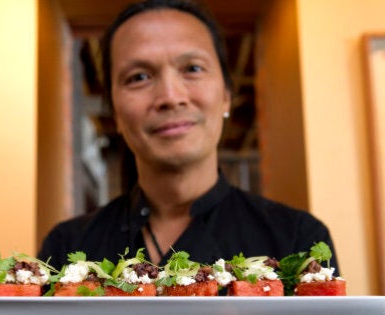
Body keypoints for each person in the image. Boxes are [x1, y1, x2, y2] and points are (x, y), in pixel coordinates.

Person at [38, 0, 340, 271]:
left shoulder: (297, 240)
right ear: (115, 112)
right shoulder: (67, 247)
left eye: (192, 68)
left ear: (225, 95)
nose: (170, 96)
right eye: (139, 77)